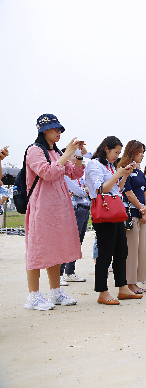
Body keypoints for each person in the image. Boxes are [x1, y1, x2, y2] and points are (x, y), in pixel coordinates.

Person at [24, 115, 83, 310]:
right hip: (42, 206)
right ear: (43, 130)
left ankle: (55, 292)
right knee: (37, 248)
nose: (58, 132)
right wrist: (67, 153)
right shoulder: (34, 150)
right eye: (55, 129)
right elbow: (47, 173)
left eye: (60, 129)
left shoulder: (56, 152)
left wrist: (78, 156)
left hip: (58, 207)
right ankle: (33, 296)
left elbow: (75, 173)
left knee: (55, 248)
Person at [87, 135, 142, 305]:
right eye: (115, 152)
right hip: (104, 213)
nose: (117, 155)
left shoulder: (110, 166)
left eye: (119, 152)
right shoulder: (94, 164)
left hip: (116, 211)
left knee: (121, 251)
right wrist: (118, 173)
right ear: (106, 148)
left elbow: (117, 188)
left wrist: (124, 175)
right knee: (105, 253)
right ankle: (102, 292)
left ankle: (122, 287)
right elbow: (100, 189)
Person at [121, 140, 146, 294]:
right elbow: (128, 193)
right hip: (131, 215)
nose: (142, 155)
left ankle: (137, 280)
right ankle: (129, 282)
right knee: (131, 251)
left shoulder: (139, 172)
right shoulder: (124, 169)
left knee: (142, 249)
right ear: (132, 152)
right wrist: (141, 208)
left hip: (142, 214)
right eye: (140, 152)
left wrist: (145, 207)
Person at [59, 147, 90, 285]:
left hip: (84, 209)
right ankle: (60, 273)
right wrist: (84, 191)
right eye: (76, 157)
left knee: (77, 242)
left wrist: (84, 191)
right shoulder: (65, 174)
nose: (78, 160)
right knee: (67, 242)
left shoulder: (79, 175)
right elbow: (79, 191)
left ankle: (70, 271)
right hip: (74, 209)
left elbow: (87, 188)